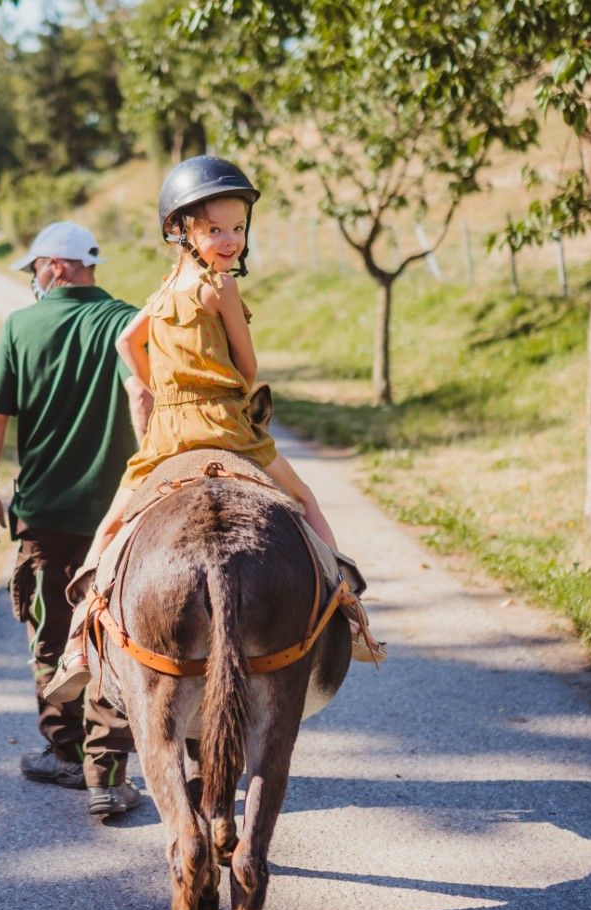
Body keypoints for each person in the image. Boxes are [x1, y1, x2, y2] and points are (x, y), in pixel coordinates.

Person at [43, 156, 377, 704]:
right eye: (216, 228)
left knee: (111, 527)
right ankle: (347, 605)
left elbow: (127, 343)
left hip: (167, 434)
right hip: (225, 425)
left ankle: (80, 640)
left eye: (238, 228)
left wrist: (161, 390)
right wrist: (225, 385)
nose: (230, 241)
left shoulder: (162, 290)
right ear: (184, 230)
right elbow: (247, 369)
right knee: (305, 499)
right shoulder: (220, 288)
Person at [0, 220, 149, 820]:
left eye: (34, 270)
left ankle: (66, 755)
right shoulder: (131, 322)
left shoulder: (22, 327)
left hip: (45, 516)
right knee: (114, 638)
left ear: (55, 266)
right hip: (120, 520)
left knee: (51, 636)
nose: (33, 281)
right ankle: (109, 773)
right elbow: (149, 398)